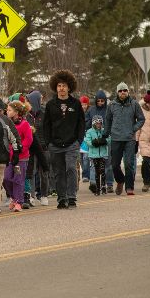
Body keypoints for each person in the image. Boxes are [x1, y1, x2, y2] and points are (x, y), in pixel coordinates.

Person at [42, 70, 86, 209]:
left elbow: (81, 123)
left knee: (71, 168)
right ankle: (62, 198)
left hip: (72, 143)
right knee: (59, 171)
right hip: (54, 144)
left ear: (69, 87)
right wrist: (48, 142)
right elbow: (46, 125)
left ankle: (71, 197)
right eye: (59, 85)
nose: (61, 88)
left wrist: (79, 140)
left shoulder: (76, 104)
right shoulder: (50, 105)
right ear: (56, 87)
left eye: (64, 86)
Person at [104, 82, 145, 196]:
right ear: (117, 92)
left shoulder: (134, 104)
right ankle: (120, 181)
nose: (123, 92)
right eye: (121, 91)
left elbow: (141, 119)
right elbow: (108, 120)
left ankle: (129, 187)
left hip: (129, 139)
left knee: (128, 164)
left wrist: (133, 129)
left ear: (128, 92)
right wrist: (106, 133)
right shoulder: (112, 105)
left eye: (125, 90)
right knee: (115, 165)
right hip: (116, 138)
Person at [3, 100, 33, 212]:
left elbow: (28, 139)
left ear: (16, 112)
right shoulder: (6, 124)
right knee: (6, 178)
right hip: (8, 157)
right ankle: (13, 197)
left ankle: (18, 202)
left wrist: (20, 150)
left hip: (21, 157)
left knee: (18, 179)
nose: (7, 111)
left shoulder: (24, 124)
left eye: (9, 110)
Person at [84, 90, 113, 193]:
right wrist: (91, 126)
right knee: (94, 164)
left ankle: (109, 184)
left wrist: (106, 134)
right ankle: (93, 183)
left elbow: (112, 122)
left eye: (102, 101)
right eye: (98, 101)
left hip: (105, 137)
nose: (101, 102)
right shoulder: (91, 110)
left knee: (108, 163)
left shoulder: (109, 109)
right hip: (94, 139)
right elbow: (85, 121)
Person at [84, 115, 109, 195]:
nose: (99, 125)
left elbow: (109, 138)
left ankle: (103, 186)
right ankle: (98, 189)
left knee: (102, 170)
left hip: (103, 154)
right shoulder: (89, 131)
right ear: (94, 123)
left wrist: (104, 141)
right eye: (97, 123)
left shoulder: (104, 131)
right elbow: (87, 140)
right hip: (94, 155)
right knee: (97, 171)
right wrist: (93, 143)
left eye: (100, 123)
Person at [79, 95, 91, 182]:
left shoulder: (90, 113)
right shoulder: (77, 113)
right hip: (79, 137)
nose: (84, 106)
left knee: (86, 157)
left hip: (87, 137)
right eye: (82, 104)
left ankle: (85, 175)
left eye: (85, 104)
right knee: (80, 158)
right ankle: (86, 171)